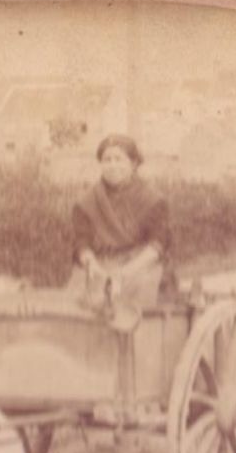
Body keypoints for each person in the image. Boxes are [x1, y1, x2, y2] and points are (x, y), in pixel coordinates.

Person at [68, 133, 175, 319]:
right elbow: (81, 242)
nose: (112, 165)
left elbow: (157, 245)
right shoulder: (86, 202)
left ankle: (132, 344)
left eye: (119, 159)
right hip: (100, 264)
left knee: (129, 305)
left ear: (133, 163)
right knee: (74, 302)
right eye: (106, 160)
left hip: (141, 265)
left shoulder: (152, 200)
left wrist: (125, 273)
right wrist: (91, 264)